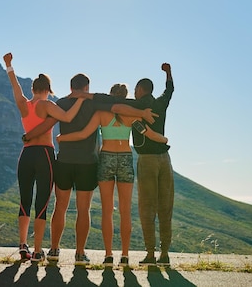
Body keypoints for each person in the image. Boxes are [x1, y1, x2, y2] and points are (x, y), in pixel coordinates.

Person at [23, 73, 158, 266]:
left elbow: (48, 124)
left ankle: (54, 250)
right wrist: (142, 113)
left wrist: (28, 136)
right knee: (83, 209)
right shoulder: (94, 104)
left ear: (71, 87)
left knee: (59, 207)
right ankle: (79, 253)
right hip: (87, 163)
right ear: (86, 88)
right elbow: (118, 107)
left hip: (64, 161)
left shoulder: (60, 103)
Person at [56, 83, 168, 268]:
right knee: (125, 211)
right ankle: (124, 256)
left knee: (107, 210)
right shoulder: (132, 115)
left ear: (111, 96)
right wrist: (164, 139)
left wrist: (63, 138)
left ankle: (108, 255)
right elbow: (148, 133)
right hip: (125, 157)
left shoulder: (101, 114)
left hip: (106, 158)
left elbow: (84, 134)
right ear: (125, 97)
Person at [3, 53, 86, 263]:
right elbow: (67, 117)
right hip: (44, 155)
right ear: (48, 90)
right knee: (42, 202)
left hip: (26, 155)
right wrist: (80, 100)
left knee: (24, 201)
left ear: (32, 89)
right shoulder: (47, 105)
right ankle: (38, 251)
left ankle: (23, 245)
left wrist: (9, 65)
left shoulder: (24, 104)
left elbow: (15, 87)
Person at [89, 63, 174, 266]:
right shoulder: (160, 103)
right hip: (164, 159)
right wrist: (168, 73)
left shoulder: (135, 107)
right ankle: (163, 254)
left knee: (146, 206)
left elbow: (114, 104)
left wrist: (86, 96)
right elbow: (169, 90)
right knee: (165, 207)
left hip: (146, 160)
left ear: (139, 90)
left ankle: (147, 254)